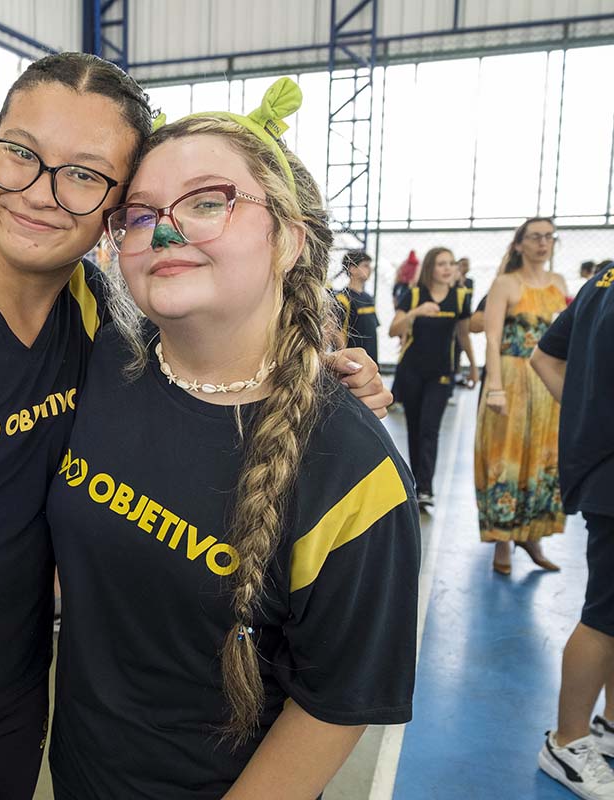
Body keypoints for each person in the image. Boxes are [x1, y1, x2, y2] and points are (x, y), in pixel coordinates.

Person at [0, 53, 389, 800]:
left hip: (13, 690)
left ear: (116, 207)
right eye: (20, 153)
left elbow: (212, 361)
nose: (39, 193)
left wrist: (315, 376)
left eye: (83, 173)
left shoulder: (97, 316)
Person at [47, 78, 420, 799]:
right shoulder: (95, 358)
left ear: (290, 239)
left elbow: (334, 703)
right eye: (140, 214)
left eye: (208, 201)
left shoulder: (352, 471)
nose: (164, 233)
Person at [531, 260, 614, 799]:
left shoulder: (602, 278)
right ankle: (568, 740)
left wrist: (586, 419)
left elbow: (544, 357)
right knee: (604, 614)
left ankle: (606, 727)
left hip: (601, 464)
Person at [475, 218, 567, 573]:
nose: (543, 243)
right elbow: (492, 338)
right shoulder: (505, 284)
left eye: (549, 237)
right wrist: (495, 388)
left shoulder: (559, 283)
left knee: (543, 456)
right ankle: (502, 539)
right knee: (506, 456)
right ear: (519, 244)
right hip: (511, 379)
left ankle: (532, 536)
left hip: (547, 383)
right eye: (535, 237)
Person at [389, 247, 477, 510]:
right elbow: (394, 329)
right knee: (415, 429)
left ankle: (425, 488)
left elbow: (463, 334)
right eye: (441, 264)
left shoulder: (459, 297)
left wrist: (473, 367)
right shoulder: (414, 294)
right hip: (411, 371)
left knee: (430, 428)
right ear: (430, 267)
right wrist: (415, 312)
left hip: (441, 374)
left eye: (450, 263)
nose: (448, 268)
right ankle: (416, 483)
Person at [333, 250, 380, 362]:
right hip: (353, 363)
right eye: (365, 265)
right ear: (352, 269)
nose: (370, 269)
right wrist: (346, 361)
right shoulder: (342, 298)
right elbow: (337, 332)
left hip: (370, 360)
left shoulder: (368, 298)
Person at [454, 257, 475, 383]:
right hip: (453, 320)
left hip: (463, 316)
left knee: (460, 345)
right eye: (462, 264)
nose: (465, 267)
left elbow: (469, 298)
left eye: (467, 265)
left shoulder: (470, 282)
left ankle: (457, 372)